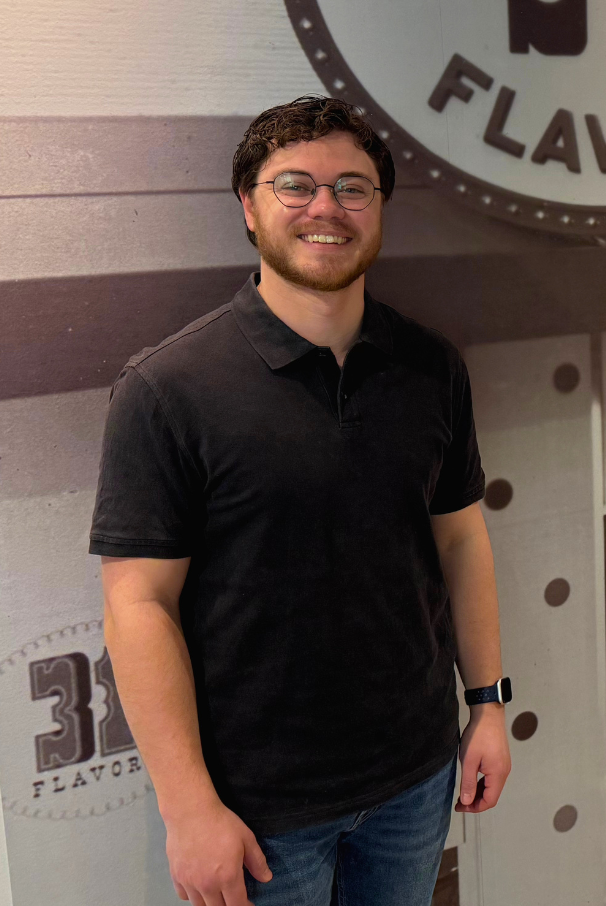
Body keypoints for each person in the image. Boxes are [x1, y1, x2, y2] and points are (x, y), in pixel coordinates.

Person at [91, 95, 512, 906]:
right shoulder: (166, 389)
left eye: (353, 188)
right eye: (296, 186)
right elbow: (136, 606)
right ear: (249, 207)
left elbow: (460, 540)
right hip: (256, 813)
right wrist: (187, 808)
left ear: (379, 210)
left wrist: (487, 704)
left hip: (416, 778)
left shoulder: (431, 367)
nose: (327, 208)